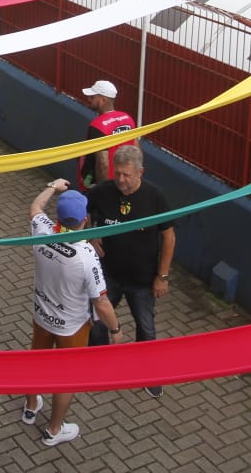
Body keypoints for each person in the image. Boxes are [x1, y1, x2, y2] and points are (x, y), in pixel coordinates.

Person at [23, 179, 121, 446]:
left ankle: (31, 406)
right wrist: (115, 329)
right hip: (72, 326)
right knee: (67, 378)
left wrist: (53, 188)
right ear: (85, 219)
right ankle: (54, 429)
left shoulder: (42, 231)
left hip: (41, 316)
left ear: (59, 216)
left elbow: (35, 207)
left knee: (36, 362)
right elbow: (101, 302)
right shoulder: (87, 254)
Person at [87, 144, 176, 398]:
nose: (121, 180)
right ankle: (97, 366)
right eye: (118, 174)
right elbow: (82, 207)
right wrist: (92, 235)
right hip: (109, 275)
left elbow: (169, 238)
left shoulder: (156, 197)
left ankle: (148, 374)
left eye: (126, 175)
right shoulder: (103, 192)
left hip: (142, 281)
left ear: (141, 172)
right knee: (97, 321)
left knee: (146, 328)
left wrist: (163, 276)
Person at [78, 79, 136, 190]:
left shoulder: (97, 126)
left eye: (93, 97)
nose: (89, 99)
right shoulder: (127, 118)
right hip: (125, 181)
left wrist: (103, 191)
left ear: (103, 100)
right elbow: (136, 149)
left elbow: (102, 162)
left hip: (105, 185)